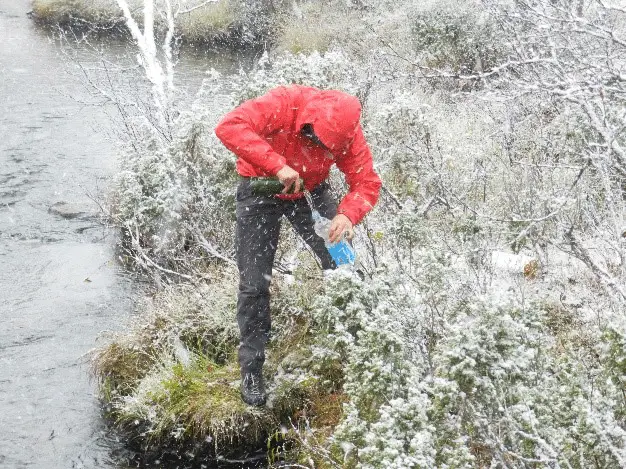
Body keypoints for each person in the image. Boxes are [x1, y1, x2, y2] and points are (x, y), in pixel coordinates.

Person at [215, 84, 381, 406]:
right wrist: (277, 164)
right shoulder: (284, 102)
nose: (316, 145)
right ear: (309, 121)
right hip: (260, 190)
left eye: (325, 145)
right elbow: (229, 126)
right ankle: (252, 371)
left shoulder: (347, 133)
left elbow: (366, 182)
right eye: (312, 137)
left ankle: (364, 347)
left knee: (345, 267)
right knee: (254, 284)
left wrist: (347, 215)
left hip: (311, 194)